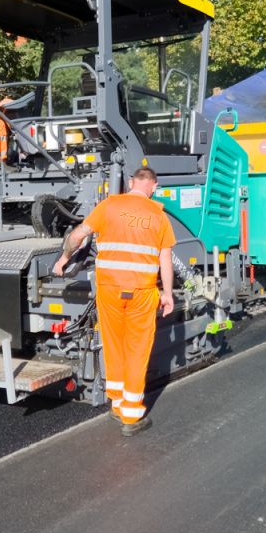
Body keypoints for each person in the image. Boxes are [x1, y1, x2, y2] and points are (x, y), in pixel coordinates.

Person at [53, 167, 176, 436]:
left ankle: (118, 404)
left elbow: (77, 235)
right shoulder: (158, 215)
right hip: (142, 293)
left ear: (130, 183)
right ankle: (132, 417)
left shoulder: (108, 205)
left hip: (109, 290)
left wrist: (63, 259)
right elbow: (164, 259)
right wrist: (167, 294)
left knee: (114, 345)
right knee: (137, 349)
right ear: (153, 187)